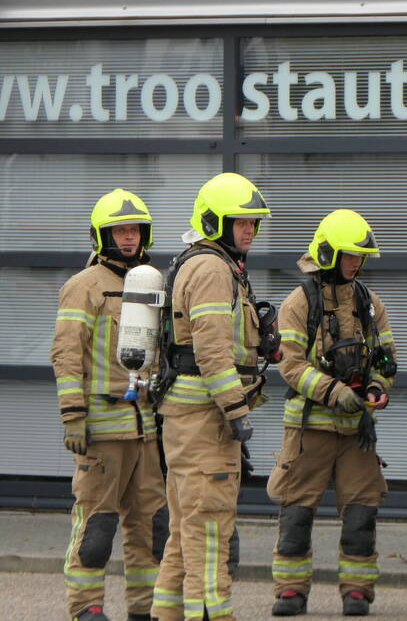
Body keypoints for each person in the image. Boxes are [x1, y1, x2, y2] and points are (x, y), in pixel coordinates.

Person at [151, 172, 274, 621]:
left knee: (185, 533)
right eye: (240, 222)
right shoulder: (211, 269)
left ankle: (167, 613)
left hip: (191, 417)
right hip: (206, 419)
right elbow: (212, 350)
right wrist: (237, 411)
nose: (250, 230)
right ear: (213, 222)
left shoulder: (214, 264)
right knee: (209, 531)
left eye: (253, 222)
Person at [267, 209, 395, 617]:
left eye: (360, 256)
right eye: (349, 255)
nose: (356, 263)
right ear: (328, 254)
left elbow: (385, 359)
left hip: (357, 431)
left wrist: (377, 388)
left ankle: (357, 591)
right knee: (296, 513)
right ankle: (290, 590)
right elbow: (290, 364)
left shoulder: (369, 304)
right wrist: (333, 392)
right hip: (310, 429)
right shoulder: (299, 302)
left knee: (361, 515)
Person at [51, 188, 168, 621]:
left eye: (135, 229)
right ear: (102, 236)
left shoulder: (152, 283)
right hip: (101, 427)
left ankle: (145, 608)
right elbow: (66, 354)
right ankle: (86, 606)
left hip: (145, 428)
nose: (129, 237)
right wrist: (72, 414)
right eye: (120, 230)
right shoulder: (83, 287)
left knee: (151, 526)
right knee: (97, 526)